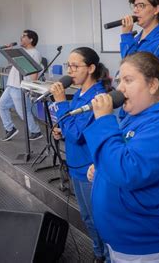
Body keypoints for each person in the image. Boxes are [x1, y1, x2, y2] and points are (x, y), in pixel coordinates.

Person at [83, 52, 159, 263]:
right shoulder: (138, 116)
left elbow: (128, 171)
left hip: (150, 246)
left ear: (153, 85)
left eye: (128, 80)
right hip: (126, 238)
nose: (120, 89)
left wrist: (104, 121)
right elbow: (124, 153)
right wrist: (101, 168)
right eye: (118, 81)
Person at [49, 47, 111, 263]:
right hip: (75, 165)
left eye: (75, 66)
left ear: (91, 68)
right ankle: (98, 251)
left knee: (97, 218)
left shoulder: (97, 97)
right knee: (87, 216)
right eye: (69, 66)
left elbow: (76, 134)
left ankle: (106, 254)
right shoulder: (79, 94)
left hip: (89, 168)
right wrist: (60, 130)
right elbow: (70, 126)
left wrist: (60, 102)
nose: (70, 71)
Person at [0, 29, 43, 141]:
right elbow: (14, 65)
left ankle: (36, 131)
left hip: (20, 86)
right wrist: (10, 52)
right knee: (1, 105)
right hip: (11, 84)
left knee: (23, 112)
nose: (21, 38)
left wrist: (31, 89)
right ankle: (10, 129)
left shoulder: (35, 53)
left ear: (31, 39)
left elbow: (34, 73)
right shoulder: (20, 51)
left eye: (24, 36)